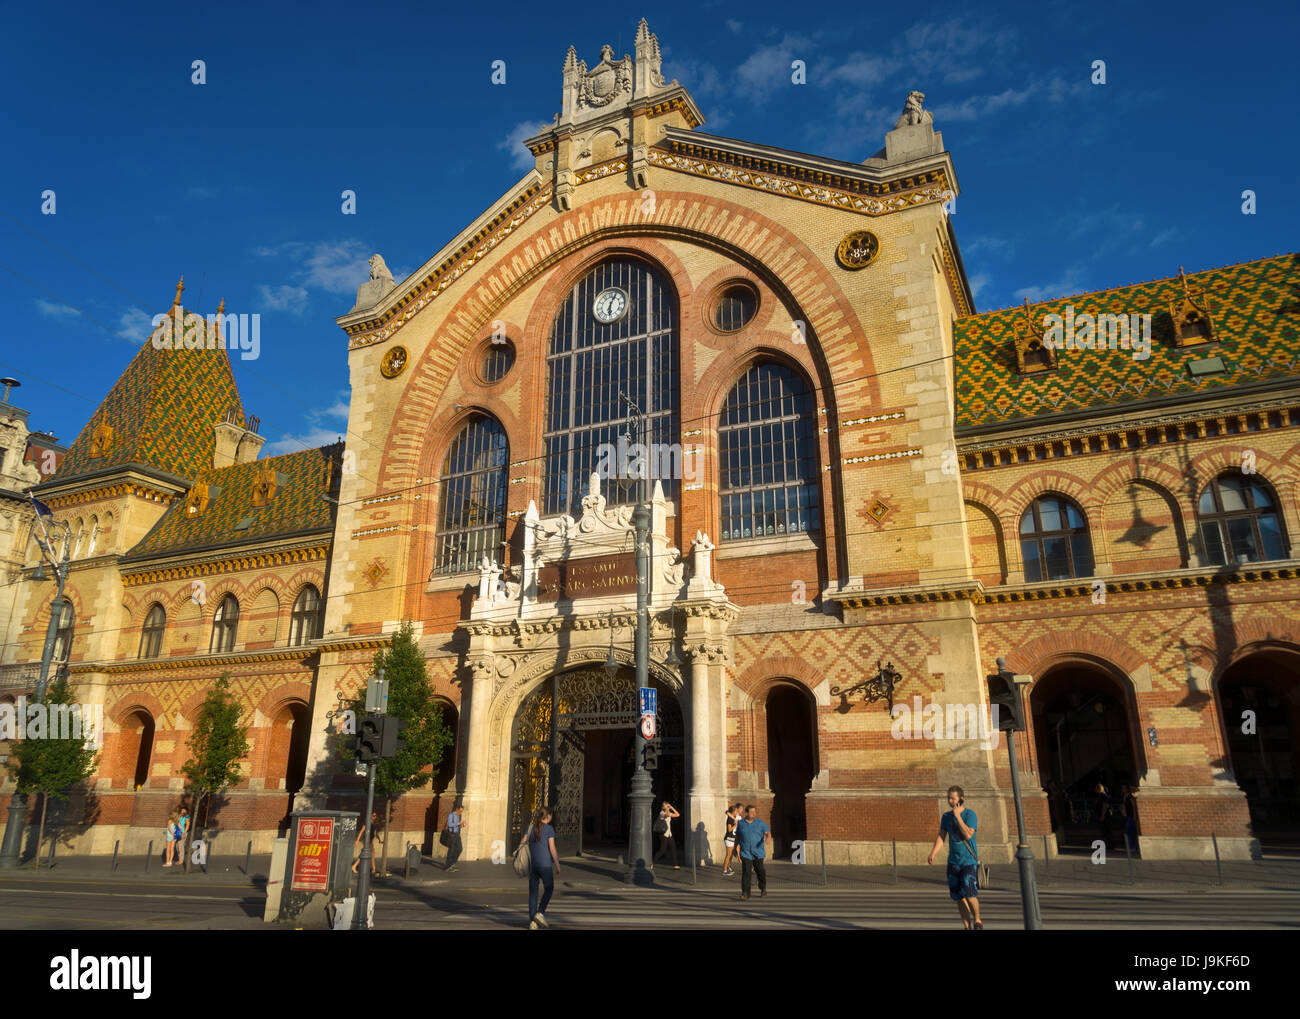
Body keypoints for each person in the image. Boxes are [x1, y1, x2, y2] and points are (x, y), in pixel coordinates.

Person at [928, 785, 983, 930]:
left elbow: (968, 835)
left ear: (961, 799)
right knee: (959, 897)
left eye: (953, 798)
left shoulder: (970, 815)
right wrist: (933, 852)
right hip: (953, 863)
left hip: (968, 862)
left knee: (970, 894)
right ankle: (967, 927)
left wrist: (958, 816)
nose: (950, 801)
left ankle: (977, 919)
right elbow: (942, 836)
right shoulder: (946, 817)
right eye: (949, 798)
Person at [520, 807, 559, 929]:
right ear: (548, 816)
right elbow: (552, 848)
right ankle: (540, 913)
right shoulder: (549, 829)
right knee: (549, 888)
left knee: (533, 893)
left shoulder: (531, 827)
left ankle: (533, 922)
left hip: (533, 865)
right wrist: (557, 864)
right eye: (551, 816)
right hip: (545, 865)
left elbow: (522, 843)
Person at [735, 804, 771, 901]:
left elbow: (767, 832)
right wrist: (736, 847)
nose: (754, 814)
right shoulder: (741, 823)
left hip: (758, 852)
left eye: (755, 812)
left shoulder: (760, 823)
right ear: (746, 813)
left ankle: (763, 888)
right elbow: (738, 836)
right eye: (751, 812)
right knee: (746, 872)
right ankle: (745, 892)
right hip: (745, 852)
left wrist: (768, 838)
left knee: (760, 871)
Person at [652, 801, 680, 870]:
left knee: (673, 849)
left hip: (669, 834)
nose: (667, 807)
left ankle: (676, 865)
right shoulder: (661, 813)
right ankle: (652, 863)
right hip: (663, 834)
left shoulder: (668, 812)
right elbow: (667, 815)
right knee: (662, 850)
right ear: (663, 807)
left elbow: (677, 815)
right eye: (666, 806)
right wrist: (668, 809)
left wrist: (672, 808)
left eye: (668, 806)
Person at [352, 811, 380, 876]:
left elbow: (375, 833)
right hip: (366, 841)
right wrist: (357, 840)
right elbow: (361, 832)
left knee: (372, 854)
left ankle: (373, 869)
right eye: (373, 815)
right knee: (366, 853)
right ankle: (354, 866)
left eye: (375, 816)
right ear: (370, 816)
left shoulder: (373, 824)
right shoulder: (367, 823)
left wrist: (380, 840)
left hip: (370, 841)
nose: (374, 817)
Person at [721, 803, 743, 876]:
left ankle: (728, 867)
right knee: (728, 855)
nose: (737, 812)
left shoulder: (734, 817)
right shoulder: (730, 819)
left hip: (734, 839)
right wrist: (735, 824)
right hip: (729, 839)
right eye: (736, 811)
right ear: (733, 812)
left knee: (731, 855)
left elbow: (727, 812)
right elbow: (729, 829)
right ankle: (724, 870)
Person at [444, 803, 466, 872]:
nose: (460, 812)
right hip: (452, 834)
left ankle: (452, 863)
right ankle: (448, 866)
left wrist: (461, 825)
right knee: (451, 850)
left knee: (460, 849)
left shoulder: (458, 816)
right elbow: (449, 824)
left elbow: (457, 826)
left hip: (457, 834)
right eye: (460, 811)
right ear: (456, 809)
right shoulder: (451, 815)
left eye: (461, 811)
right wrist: (459, 823)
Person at [1094, 782, 1114, 851]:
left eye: (1096, 790)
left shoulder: (1103, 796)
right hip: (1106, 815)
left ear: (1099, 789)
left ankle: (1110, 845)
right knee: (1106, 830)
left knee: (1105, 830)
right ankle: (1110, 844)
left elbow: (1105, 806)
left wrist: (1102, 815)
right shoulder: (1106, 795)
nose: (1095, 791)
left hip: (1105, 816)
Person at [1121, 784, 1139, 854]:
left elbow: (1134, 806)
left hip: (1132, 816)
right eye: (1122, 788)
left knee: (1128, 831)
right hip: (1128, 816)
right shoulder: (1124, 796)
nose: (1122, 789)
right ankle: (1135, 847)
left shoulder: (1130, 796)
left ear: (1127, 789)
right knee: (1132, 832)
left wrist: (1135, 816)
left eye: (1124, 788)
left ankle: (1132, 847)